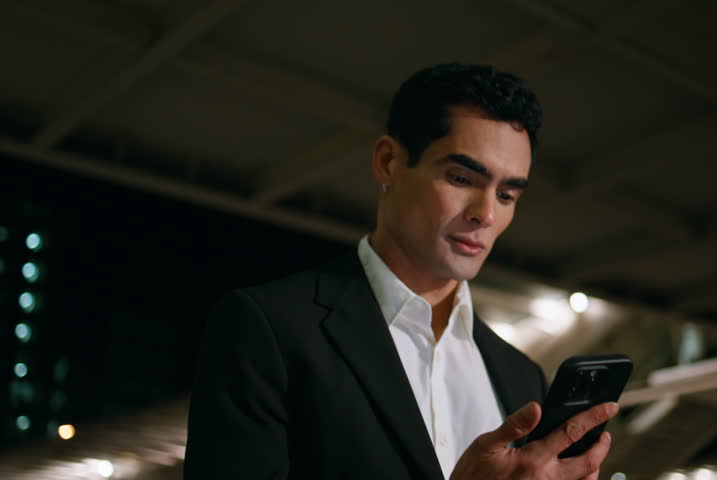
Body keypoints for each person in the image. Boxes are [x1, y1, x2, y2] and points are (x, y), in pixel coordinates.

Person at [184, 62, 618, 480]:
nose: (485, 214)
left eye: (506, 195)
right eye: (461, 178)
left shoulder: (522, 375)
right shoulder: (269, 328)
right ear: (388, 162)